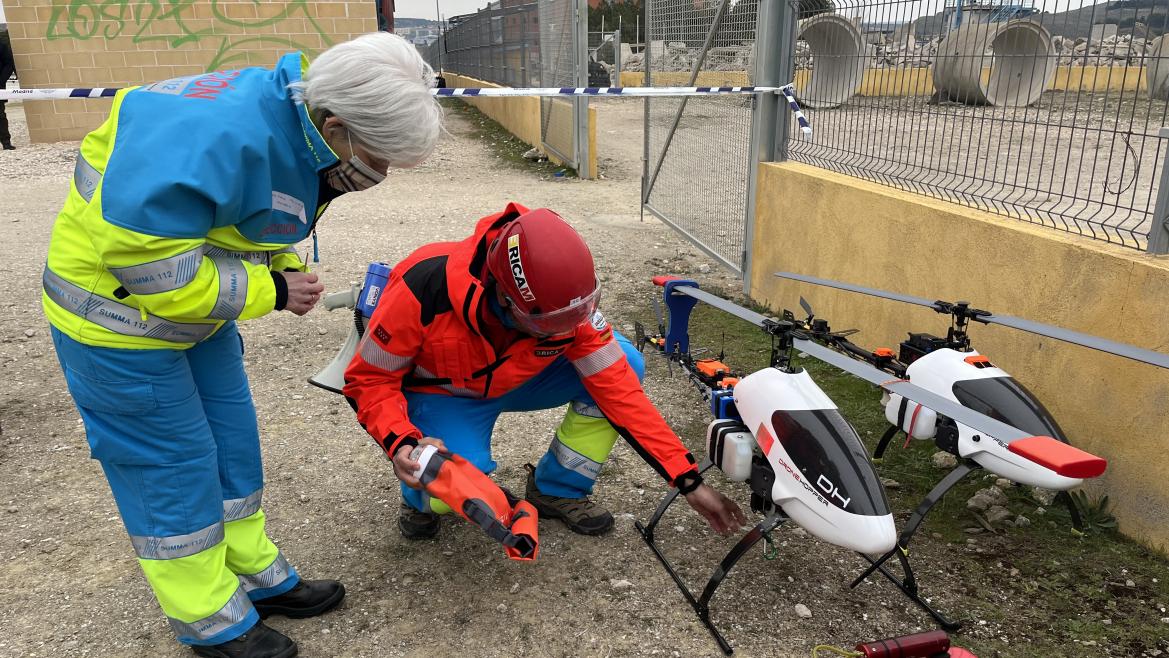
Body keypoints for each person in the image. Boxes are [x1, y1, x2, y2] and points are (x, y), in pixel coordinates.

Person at [43, 33, 442, 658]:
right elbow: (157, 276)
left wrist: (277, 260)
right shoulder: (214, 139)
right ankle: (208, 618)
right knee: (171, 467)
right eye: (377, 157)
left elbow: (245, 217)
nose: (378, 174)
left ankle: (251, 571)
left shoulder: (289, 121)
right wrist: (273, 290)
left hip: (195, 319)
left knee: (230, 442)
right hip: (116, 324)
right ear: (335, 125)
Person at [343, 204, 746, 541]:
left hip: (519, 378)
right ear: (503, 294)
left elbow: (621, 393)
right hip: (446, 393)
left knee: (627, 365)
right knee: (447, 488)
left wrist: (688, 481)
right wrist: (403, 444)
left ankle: (557, 488)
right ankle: (417, 500)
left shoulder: (566, 312)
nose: (571, 329)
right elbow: (370, 380)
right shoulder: (421, 287)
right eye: (552, 323)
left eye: (578, 316)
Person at [1, 25, 16, 150]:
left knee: (0, 116)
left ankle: (6, 142)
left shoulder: (1, 46)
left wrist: (1, 81)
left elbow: (9, 64)